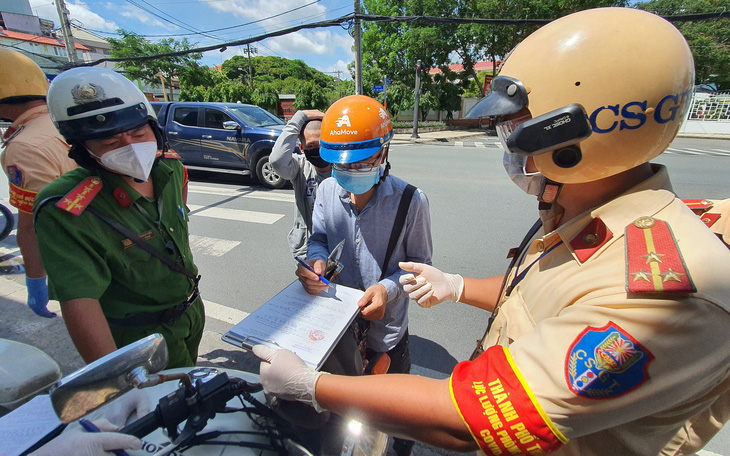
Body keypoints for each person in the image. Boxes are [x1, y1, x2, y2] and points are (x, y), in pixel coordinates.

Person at [254, 8, 730, 455]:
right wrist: (458, 287)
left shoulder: (661, 289)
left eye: (513, 130)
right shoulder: (578, 221)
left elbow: (464, 420)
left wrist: (311, 387)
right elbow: (537, 295)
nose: (509, 150)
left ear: (567, 137)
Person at [33, 67, 204, 369]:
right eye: (111, 144)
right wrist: (115, 378)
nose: (131, 147)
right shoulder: (67, 209)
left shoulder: (170, 169)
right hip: (138, 338)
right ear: (84, 150)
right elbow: (81, 303)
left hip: (190, 313)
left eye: (139, 134)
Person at [296, 95, 432, 456]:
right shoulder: (326, 189)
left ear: (383, 153)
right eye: (340, 164)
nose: (349, 172)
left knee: (395, 424)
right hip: (338, 334)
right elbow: (320, 238)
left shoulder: (411, 201)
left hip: (387, 338)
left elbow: (420, 266)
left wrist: (387, 289)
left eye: (361, 162)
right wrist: (315, 261)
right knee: (342, 420)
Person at [0, 49, 78, 318]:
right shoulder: (71, 120)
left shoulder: (24, 146)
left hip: (79, 257)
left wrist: (35, 280)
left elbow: (33, 225)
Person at [269, 109, 331, 258]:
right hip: (307, 248)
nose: (317, 150)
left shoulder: (344, 168)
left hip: (337, 248)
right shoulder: (299, 167)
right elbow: (277, 161)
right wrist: (299, 117)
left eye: (321, 144)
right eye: (310, 146)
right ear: (302, 148)